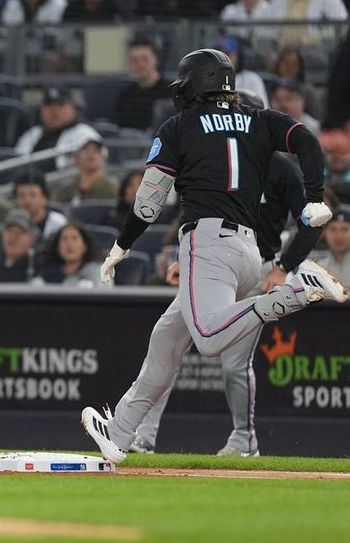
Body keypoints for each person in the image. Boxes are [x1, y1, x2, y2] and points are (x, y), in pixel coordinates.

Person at [80, 48, 347, 465]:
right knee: (166, 340)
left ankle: (294, 292)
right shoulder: (259, 119)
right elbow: (308, 141)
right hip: (248, 251)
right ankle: (119, 432)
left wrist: (123, 244)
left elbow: (149, 204)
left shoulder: (180, 125)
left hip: (208, 241)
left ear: (194, 84)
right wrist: (314, 197)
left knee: (206, 338)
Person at [128, 151, 327, 456]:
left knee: (234, 365)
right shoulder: (217, 159)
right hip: (211, 264)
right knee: (167, 348)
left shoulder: (279, 166)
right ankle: (143, 434)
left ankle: (244, 438)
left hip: (258, 267)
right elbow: (198, 210)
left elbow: (311, 222)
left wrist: (284, 267)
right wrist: (188, 257)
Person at [14, 86, 101, 170]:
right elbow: (17, 165)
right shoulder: (31, 134)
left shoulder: (86, 135)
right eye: (48, 105)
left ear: (73, 108)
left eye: (60, 104)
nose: (54, 110)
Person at [113, 39, 171, 131]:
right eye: (134, 60)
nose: (140, 64)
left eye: (145, 59)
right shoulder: (125, 95)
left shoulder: (172, 92)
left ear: (155, 59)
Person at [41, 222, 107, 288]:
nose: (69, 243)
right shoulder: (48, 274)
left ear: (85, 246)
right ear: (57, 246)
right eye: (64, 239)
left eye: (74, 238)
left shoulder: (97, 271)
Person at [52, 140, 118, 204]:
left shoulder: (112, 187)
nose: (91, 155)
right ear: (76, 158)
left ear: (103, 158)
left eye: (96, 151)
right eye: (86, 151)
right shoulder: (66, 187)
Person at [0, 208, 40, 282]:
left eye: (20, 232)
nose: (13, 237)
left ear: (32, 238)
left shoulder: (40, 268)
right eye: (9, 231)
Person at [13, 168, 66, 243]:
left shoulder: (58, 223)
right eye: (21, 195)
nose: (27, 200)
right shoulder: (13, 224)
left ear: (45, 197)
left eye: (33, 194)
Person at [318, 206, 350, 284]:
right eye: (333, 230)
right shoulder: (320, 268)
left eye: (344, 229)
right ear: (324, 233)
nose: (339, 236)